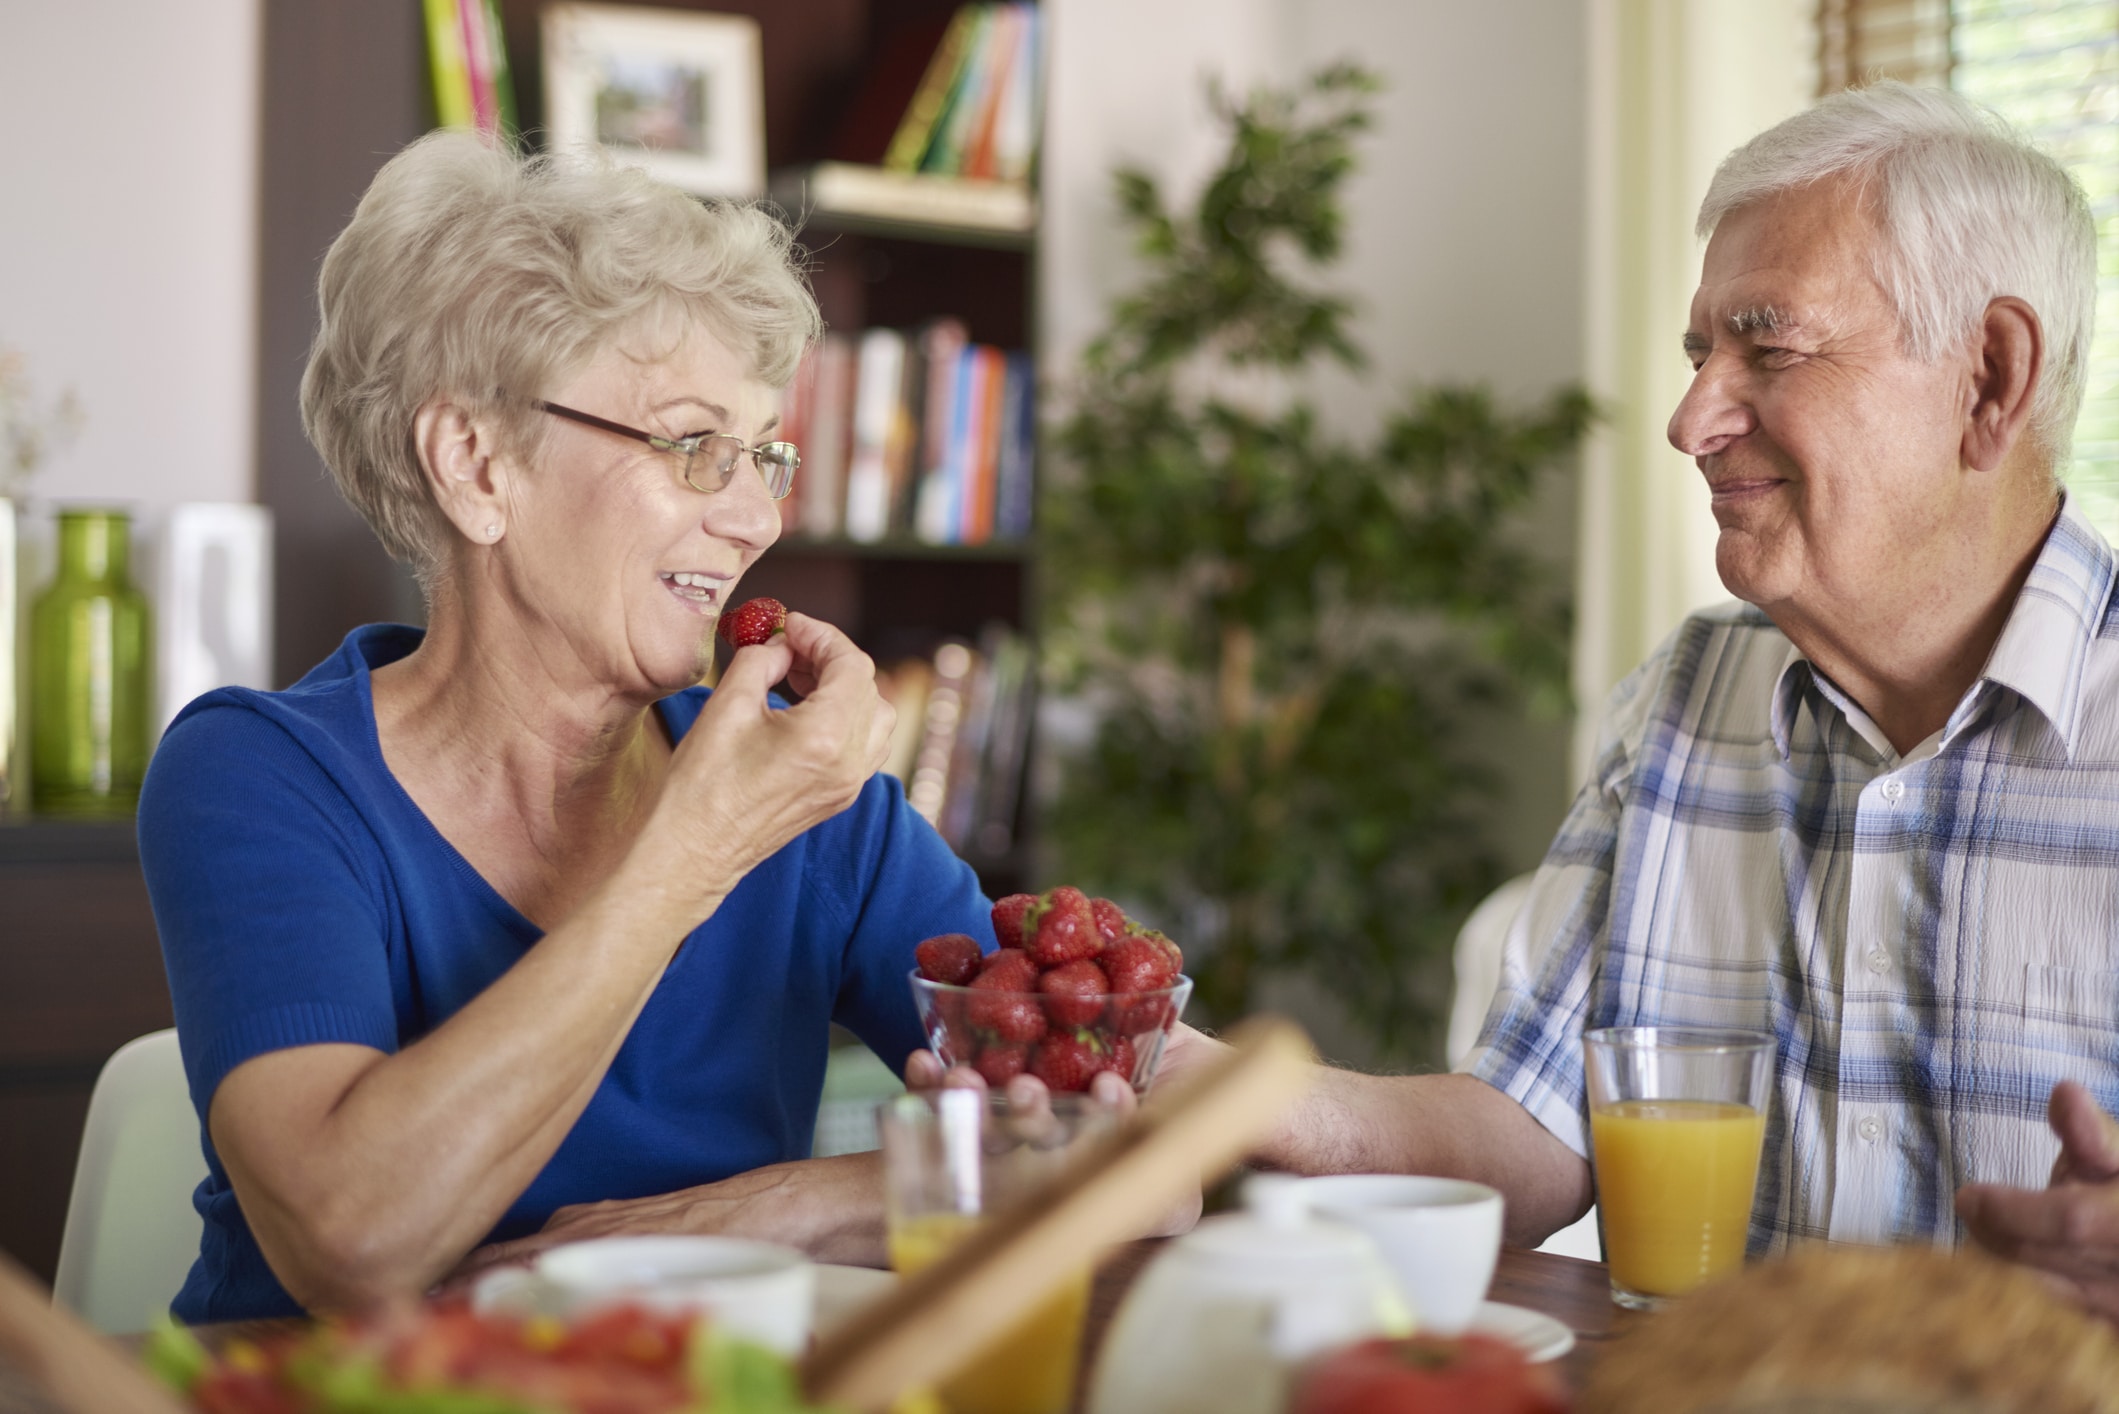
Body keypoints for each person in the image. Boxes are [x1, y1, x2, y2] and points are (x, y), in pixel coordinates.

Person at [922, 80, 2119, 1317]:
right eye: (1702, 353)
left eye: (1768, 346)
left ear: (1990, 376)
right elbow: (1529, 1130)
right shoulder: (1692, 694)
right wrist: (1189, 1075)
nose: (1690, 416)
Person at [136, 132, 1092, 1324]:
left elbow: (1123, 1139)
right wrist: (694, 851)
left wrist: (776, 1207)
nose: (753, 517)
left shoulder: (807, 805)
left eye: (766, 455)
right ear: (477, 463)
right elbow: (355, 1238)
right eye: (694, 445)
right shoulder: (260, 775)